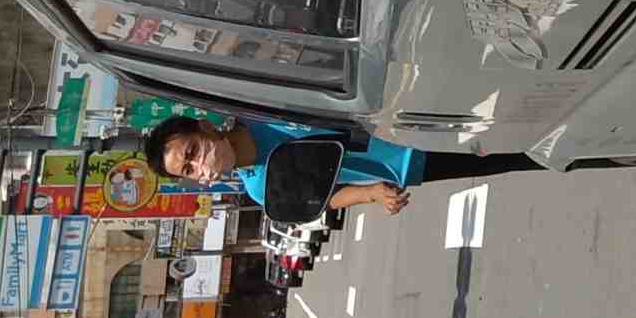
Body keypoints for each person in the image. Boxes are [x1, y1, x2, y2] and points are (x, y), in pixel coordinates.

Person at [141, 113, 536, 218]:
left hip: (410, 121)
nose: (200, 164)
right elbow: (324, 198)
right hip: (407, 166)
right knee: (510, 160)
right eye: (189, 170)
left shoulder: (262, 111)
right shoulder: (262, 190)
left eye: (192, 151)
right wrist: (371, 193)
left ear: (206, 128)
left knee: (512, 126)